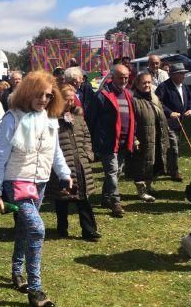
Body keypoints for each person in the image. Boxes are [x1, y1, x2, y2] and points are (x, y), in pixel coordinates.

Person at [0, 70, 71, 307]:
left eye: (48, 95)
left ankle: (17, 271)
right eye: (39, 95)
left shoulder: (49, 119)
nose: (43, 100)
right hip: (16, 181)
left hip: (41, 181)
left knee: (25, 229)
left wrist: (65, 173)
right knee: (37, 229)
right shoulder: (11, 119)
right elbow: (1, 156)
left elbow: (55, 152)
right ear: (27, 92)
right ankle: (35, 289)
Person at [51, 85, 100, 241]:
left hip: (81, 164)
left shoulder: (79, 118)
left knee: (83, 199)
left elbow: (87, 136)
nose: (71, 101)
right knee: (62, 199)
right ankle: (62, 228)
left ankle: (89, 230)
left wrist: (88, 154)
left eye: (73, 98)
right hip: (63, 165)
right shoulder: (53, 120)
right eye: (67, 98)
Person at [90, 64, 136, 218]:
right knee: (112, 172)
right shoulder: (102, 95)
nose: (124, 80)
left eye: (126, 77)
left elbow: (132, 118)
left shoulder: (129, 94)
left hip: (124, 141)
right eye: (121, 77)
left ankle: (106, 197)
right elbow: (91, 119)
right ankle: (115, 202)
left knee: (117, 172)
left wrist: (134, 136)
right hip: (108, 142)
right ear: (112, 77)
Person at [130, 72, 169, 202]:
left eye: (149, 82)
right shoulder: (134, 100)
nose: (147, 85)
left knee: (153, 162)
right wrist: (134, 138)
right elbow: (131, 122)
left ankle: (149, 186)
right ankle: (141, 191)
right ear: (137, 84)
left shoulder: (153, 97)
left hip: (156, 135)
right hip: (143, 138)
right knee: (141, 164)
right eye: (144, 83)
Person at [155, 62, 191, 182]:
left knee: (174, 146)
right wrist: (169, 112)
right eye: (181, 74)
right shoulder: (164, 87)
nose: (184, 76)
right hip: (168, 122)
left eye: (184, 73)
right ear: (173, 75)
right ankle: (175, 172)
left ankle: (167, 167)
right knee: (174, 147)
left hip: (179, 123)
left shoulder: (184, 86)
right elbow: (157, 102)